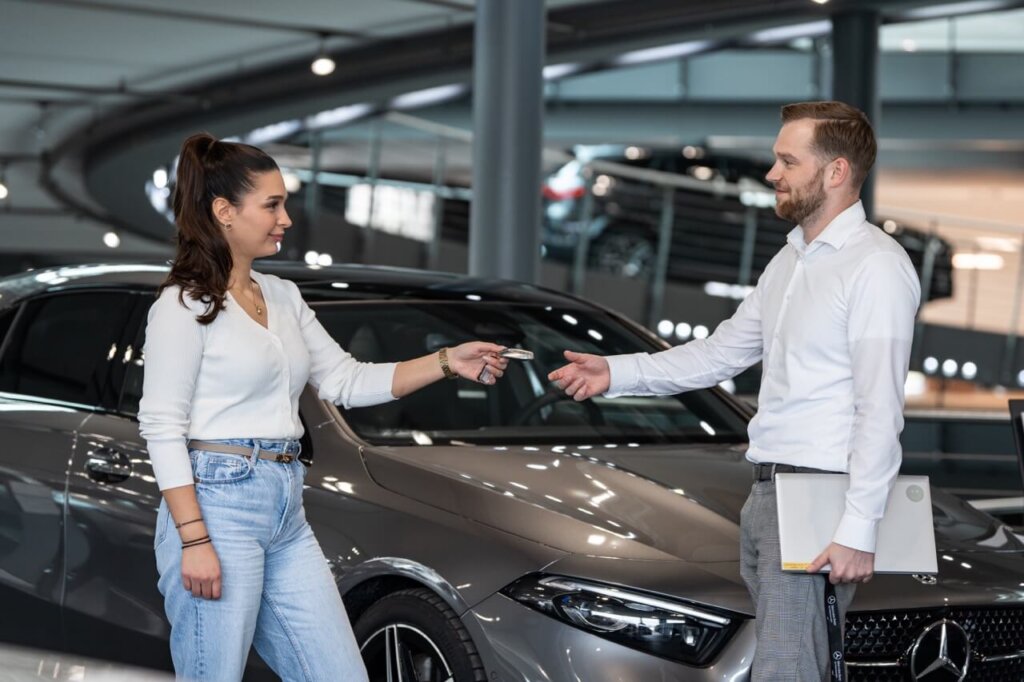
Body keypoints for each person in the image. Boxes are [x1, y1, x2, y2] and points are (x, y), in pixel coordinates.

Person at [548, 101, 920, 680]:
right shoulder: (791, 259)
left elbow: (880, 409)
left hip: (817, 496)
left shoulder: (875, 266)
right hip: (770, 492)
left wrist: (857, 530)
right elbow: (721, 353)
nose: (772, 174)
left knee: (787, 671)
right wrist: (614, 373)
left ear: (836, 172)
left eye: (786, 161)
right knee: (782, 664)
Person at [138, 133, 508, 682]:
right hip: (217, 506)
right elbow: (161, 426)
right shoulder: (183, 305)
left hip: (286, 505)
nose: (286, 217)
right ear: (224, 212)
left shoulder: (283, 295)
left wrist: (449, 361)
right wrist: (194, 539)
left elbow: (347, 380)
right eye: (272, 204)